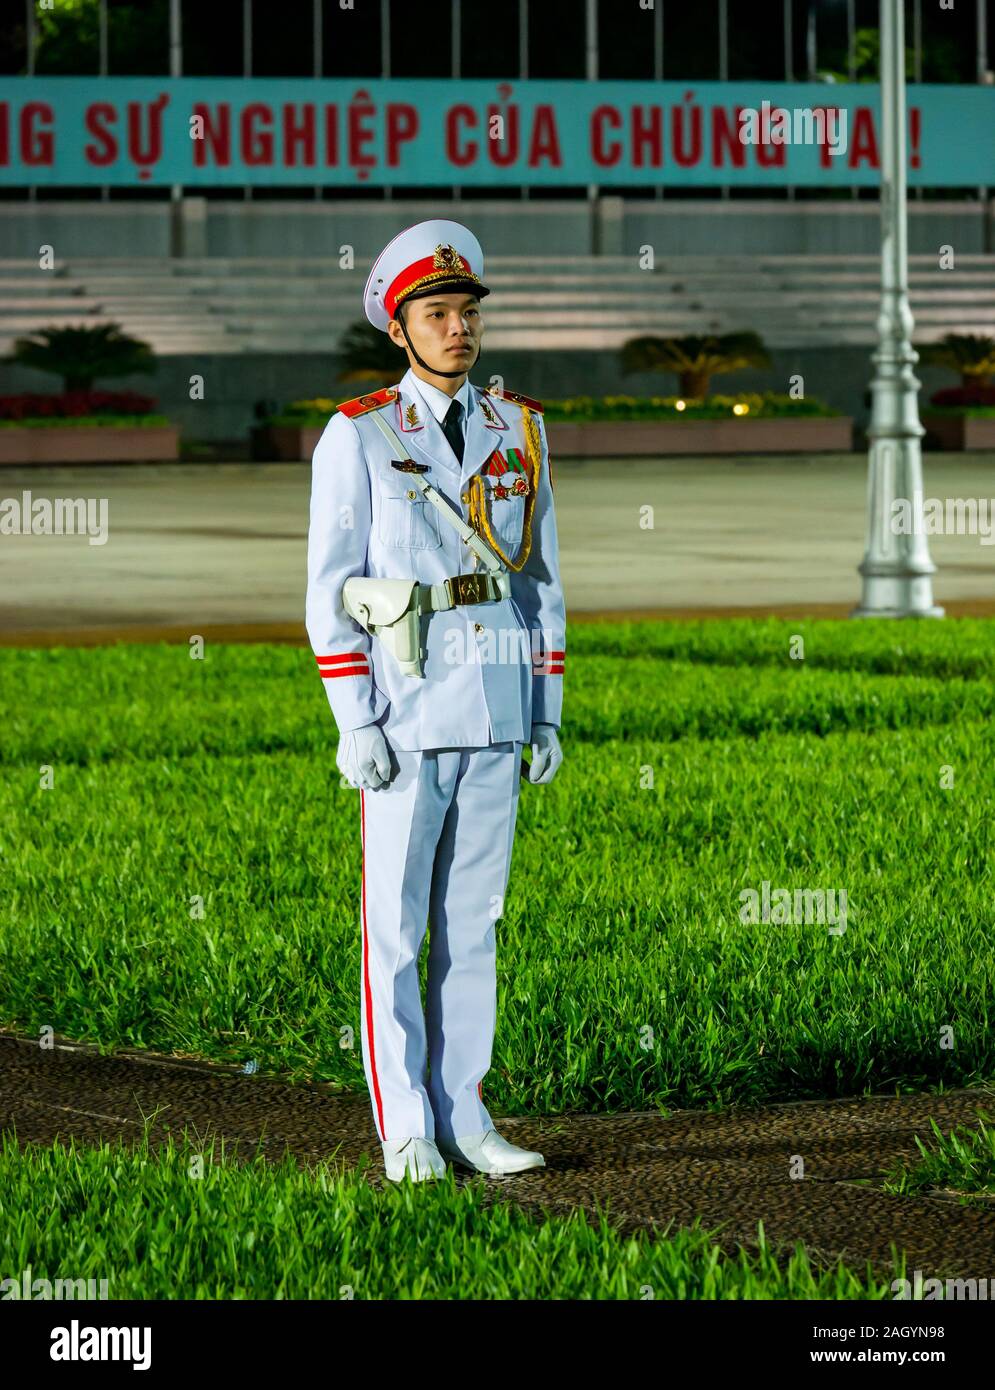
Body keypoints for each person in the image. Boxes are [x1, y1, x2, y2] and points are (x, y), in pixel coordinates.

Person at [304, 219, 566, 1183]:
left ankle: (467, 1115)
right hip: (407, 705)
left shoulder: (518, 427)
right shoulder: (360, 432)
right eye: (436, 315)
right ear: (399, 328)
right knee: (395, 930)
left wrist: (545, 706)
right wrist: (354, 720)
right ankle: (406, 1126)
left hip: (495, 703)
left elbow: (539, 579)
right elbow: (331, 587)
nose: (458, 329)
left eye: (467, 314)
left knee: (475, 925)